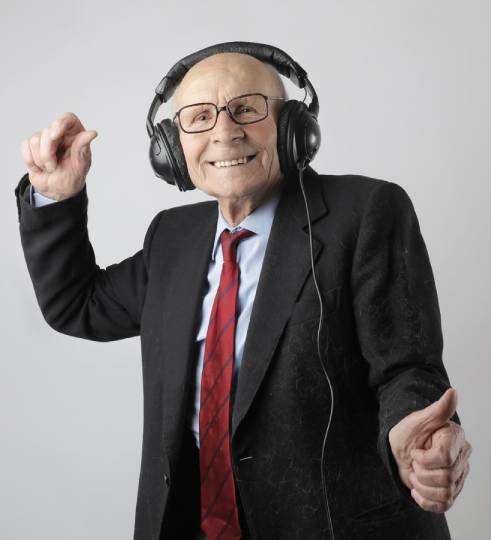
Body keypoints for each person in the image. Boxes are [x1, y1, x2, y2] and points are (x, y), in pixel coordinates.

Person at [15, 42, 471, 540]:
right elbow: (77, 305)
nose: (225, 132)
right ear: (170, 144)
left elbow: (406, 366)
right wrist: (57, 197)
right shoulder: (172, 236)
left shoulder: (365, 213)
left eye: (247, 109)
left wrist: (410, 433)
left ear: (294, 127)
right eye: (199, 117)